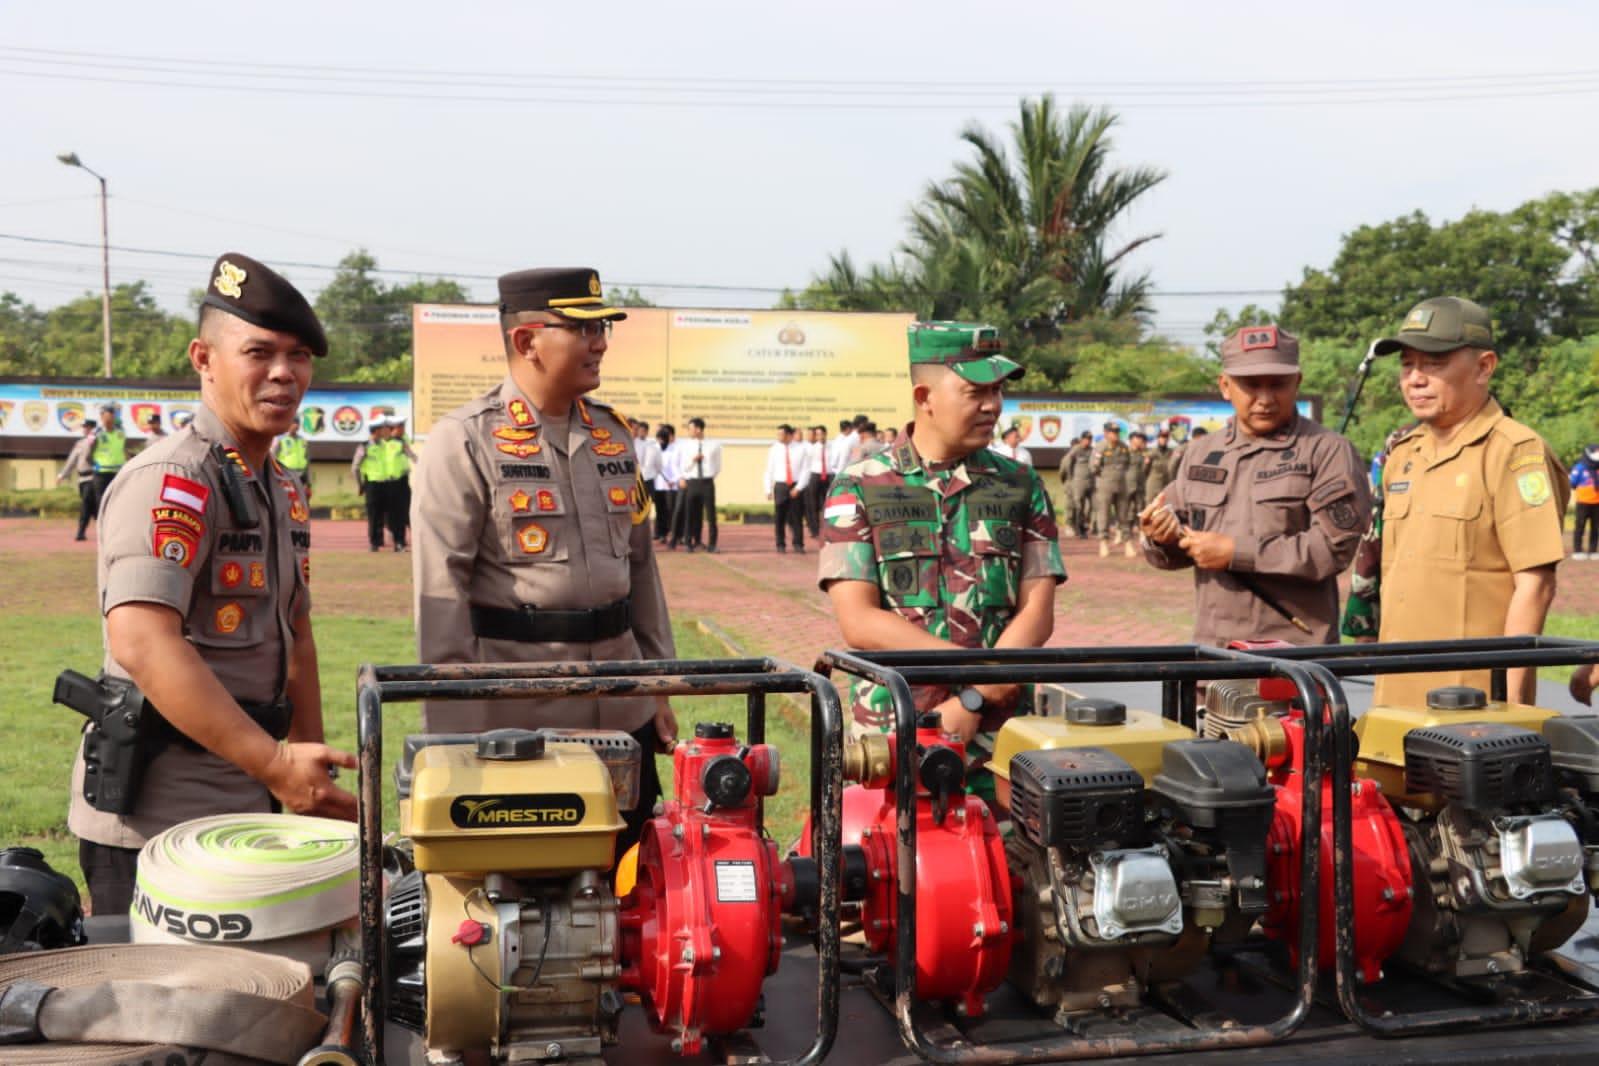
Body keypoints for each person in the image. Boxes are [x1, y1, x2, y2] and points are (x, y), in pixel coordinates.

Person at [67, 253, 355, 916]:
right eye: (259, 352)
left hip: (247, 797)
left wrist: (305, 775)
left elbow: (299, 639)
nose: (284, 373)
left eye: (299, 355)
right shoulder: (174, 479)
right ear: (204, 358)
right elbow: (143, 640)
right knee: (164, 1012)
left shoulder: (277, 486)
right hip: (162, 814)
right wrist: (278, 768)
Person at [411, 267, 676, 852]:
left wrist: (659, 686)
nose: (600, 341)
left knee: (633, 883)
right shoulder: (465, 440)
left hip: (622, 708)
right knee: (533, 897)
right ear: (527, 342)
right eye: (582, 329)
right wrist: (455, 734)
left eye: (602, 326)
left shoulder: (613, 436)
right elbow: (441, 590)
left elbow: (641, 573)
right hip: (521, 721)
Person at [819, 321, 1064, 797]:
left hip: (1006, 736)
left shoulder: (1020, 484)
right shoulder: (861, 485)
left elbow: (1037, 609)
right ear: (924, 395)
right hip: (896, 729)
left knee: (1013, 864)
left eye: (997, 391)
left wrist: (976, 698)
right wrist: (974, 681)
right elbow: (859, 619)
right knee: (895, 863)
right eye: (976, 391)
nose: (993, 405)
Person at [1369, 297, 1569, 705]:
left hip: (1472, 702)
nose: (1415, 379)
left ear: (1484, 367)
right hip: (1394, 694)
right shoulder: (1403, 453)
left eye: (1434, 363)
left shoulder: (1515, 452)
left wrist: (1511, 710)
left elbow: (1535, 586)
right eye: (1408, 365)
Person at [1139, 325, 1371, 647]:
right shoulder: (1201, 453)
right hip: (1214, 652)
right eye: (1250, 385)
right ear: (1225, 386)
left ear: (1297, 383)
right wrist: (1160, 538)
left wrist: (1237, 553)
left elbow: (1333, 549)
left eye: (1278, 384)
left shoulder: (1327, 450)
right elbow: (1173, 547)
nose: (1265, 399)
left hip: (1296, 655)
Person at [764, 424, 811, 553]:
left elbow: (806, 470)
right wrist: (767, 489)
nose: (778, 436)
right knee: (779, 517)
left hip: (795, 484)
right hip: (780, 486)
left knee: (797, 517)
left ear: (789, 435)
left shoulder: (801, 449)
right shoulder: (774, 449)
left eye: (781, 434)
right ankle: (780, 544)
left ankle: (798, 544)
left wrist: (799, 487)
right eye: (778, 434)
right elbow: (769, 470)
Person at [351, 417, 396, 552]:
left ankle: (381, 539)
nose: (384, 432)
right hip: (372, 483)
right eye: (382, 429)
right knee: (374, 514)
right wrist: (360, 484)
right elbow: (355, 467)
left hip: (386, 483)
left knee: (385, 513)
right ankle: (374, 542)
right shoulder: (364, 446)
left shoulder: (385, 445)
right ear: (376, 431)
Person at [677, 417, 722, 552]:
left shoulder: (714, 445)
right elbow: (683, 466)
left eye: (690, 429)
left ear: (698, 429)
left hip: (707, 482)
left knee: (711, 515)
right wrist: (693, 461)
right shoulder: (686, 445)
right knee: (690, 513)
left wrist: (709, 476)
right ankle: (689, 543)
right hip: (692, 481)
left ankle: (712, 544)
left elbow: (718, 465)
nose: (689, 431)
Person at [1091, 422, 1131, 557]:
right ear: (1106, 433)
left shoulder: (1124, 447)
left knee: (1123, 515)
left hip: (1121, 486)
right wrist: (1104, 478)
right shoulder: (1100, 447)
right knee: (1104, 515)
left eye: (1117, 432)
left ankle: (1127, 543)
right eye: (1113, 432)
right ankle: (1103, 542)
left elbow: (1127, 464)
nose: (1115, 435)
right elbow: (1093, 468)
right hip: (1105, 486)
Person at [57, 421, 98, 541]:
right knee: (93, 507)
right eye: (84, 427)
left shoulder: (98, 441)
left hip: (93, 477)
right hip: (82, 479)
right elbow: (72, 460)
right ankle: (102, 530)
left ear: (93, 428)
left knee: (86, 504)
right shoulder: (80, 443)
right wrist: (62, 475)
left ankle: (80, 532)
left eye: (87, 427)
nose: (85, 429)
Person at [381, 417, 417, 552]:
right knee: (393, 514)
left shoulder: (401, 443)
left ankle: (400, 542)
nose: (403, 430)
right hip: (386, 482)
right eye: (400, 427)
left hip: (401, 481)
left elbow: (413, 456)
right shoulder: (381, 444)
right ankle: (397, 541)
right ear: (393, 429)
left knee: (404, 511)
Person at [89, 403, 127, 517]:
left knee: (118, 500)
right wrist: (93, 464)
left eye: (112, 415)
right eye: (107, 415)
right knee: (102, 502)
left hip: (117, 472)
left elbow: (122, 449)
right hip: (101, 472)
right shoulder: (96, 432)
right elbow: (88, 451)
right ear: (101, 417)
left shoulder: (121, 432)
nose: (110, 418)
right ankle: (103, 528)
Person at [1057, 431, 1093, 539]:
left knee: (1083, 506)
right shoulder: (1068, 457)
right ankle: (1071, 525)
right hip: (1070, 483)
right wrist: (1069, 481)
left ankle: (1081, 525)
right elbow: (1062, 472)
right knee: (1071, 507)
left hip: (1083, 483)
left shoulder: (1090, 451)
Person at [1119, 431, 1149, 558]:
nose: (1140, 442)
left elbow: (1145, 470)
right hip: (1126, 487)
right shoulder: (1124, 452)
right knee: (1124, 513)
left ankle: (1142, 534)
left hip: (1139, 487)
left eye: (1141, 440)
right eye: (1137, 439)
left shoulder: (1143, 454)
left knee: (1140, 511)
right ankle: (1124, 535)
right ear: (1131, 440)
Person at [653, 424, 681, 545]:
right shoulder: (654, 450)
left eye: (662, 439)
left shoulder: (674, 451)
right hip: (658, 485)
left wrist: (673, 480)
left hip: (671, 486)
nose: (660, 441)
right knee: (660, 511)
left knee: (671, 511)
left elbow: (678, 467)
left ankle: (673, 534)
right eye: (658, 439)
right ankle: (662, 534)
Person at [1570, 443, 1599, 559]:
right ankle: (1578, 551)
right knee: (1580, 526)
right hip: (1583, 503)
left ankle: (1593, 550)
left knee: (1596, 528)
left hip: (1597, 503)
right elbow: (1572, 483)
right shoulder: (1580, 467)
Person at [272, 417, 311, 498]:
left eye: (297, 424)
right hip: (286, 475)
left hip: (301, 475)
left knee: (302, 499)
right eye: (293, 423)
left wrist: (308, 481)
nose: (295, 425)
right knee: (288, 499)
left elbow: (307, 460)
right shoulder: (280, 439)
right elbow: (272, 458)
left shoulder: (303, 440)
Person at [804, 424, 830, 539]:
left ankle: (828, 528)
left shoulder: (833, 446)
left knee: (828, 503)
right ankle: (815, 530)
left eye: (821, 434)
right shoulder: (812, 448)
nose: (819, 436)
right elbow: (807, 465)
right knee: (813, 503)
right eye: (817, 434)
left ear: (825, 434)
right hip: (815, 476)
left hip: (829, 476)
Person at [1144, 426, 1175, 504]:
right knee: (1150, 507)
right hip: (1153, 485)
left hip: (1166, 485)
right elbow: (1144, 470)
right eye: (1162, 437)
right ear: (1158, 438)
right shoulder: (1151, 452)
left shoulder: (1172, 452)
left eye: (1166, 437)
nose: (1164, 439)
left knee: (1165, 508)